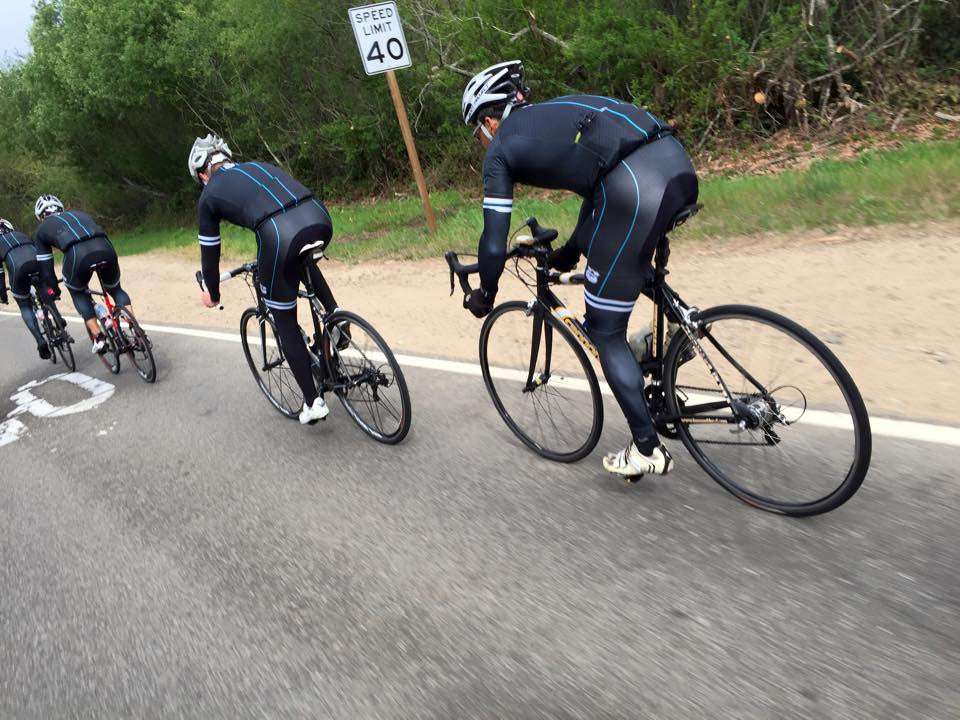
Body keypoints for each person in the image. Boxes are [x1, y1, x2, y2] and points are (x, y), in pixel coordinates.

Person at [460, 61, 699, 479]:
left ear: (490, 119)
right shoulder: (557, 115)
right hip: (674, 165)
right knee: (623, 266)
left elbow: (494, 241)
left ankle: (646, 448)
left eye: (478, 131)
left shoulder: (502, 149)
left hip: (634, 186)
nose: (482, 140)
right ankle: (679, 327)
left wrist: (486, 293)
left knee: (604, 330)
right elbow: (597, 192)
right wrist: (571, 250)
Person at [188, 134, 343, 425]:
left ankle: (313, 403)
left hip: (279, 233)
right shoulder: (256, 166)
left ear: (202, 174)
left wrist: (213, 293)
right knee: (299, 261)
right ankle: (336, 317)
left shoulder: (209, 196)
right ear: (226, 158)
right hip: (318, 215)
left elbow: (210, 255)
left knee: (283, 320)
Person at [33, 195, 134, 353]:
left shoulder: (41, 231)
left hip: (77, 255)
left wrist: (54, 288)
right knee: (115, 289)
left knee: (78, 292)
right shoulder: (80, 213)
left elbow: (46, 268)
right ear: (62, 208)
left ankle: (99, 337)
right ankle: (134, 326)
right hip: (105, 246)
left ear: (40, 217)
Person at [0, 218, 53, 359]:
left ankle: (40, 341)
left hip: (19, 271)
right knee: (42, 286)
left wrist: (3, 294)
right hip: (37, 264)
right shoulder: (21, 234)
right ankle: (58, 318)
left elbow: (0, 273)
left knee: (24, 305)